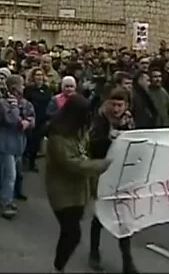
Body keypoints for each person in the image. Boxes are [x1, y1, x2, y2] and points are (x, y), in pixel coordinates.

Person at [45, 95, 111, 274]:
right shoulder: (58, 137)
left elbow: (87, 150)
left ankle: (59, 266)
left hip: (79, 189)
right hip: (62, 191)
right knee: (72, 234)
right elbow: (73, 163)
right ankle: (57, 268)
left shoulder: (78, 130)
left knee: (71, 230)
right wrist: (102, 165)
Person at [87, 87, 138, 273]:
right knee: (100, 213)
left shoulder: (129, 120)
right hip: (103, 170)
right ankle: (94, 252)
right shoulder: (101, 119)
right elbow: (92, 144)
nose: (116, 109)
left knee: (124, 215)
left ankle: (127, 260)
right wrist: (109, 139)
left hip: (123, 171)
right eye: (113, 104)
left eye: (120, 105)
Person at [0, 74, 35, 219]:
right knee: (10, 175)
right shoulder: (2, 103)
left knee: (12, 173)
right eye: (21, 84)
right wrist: (14, 108)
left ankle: (3, 194)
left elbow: (32, 116)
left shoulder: (26, 102)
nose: (23, 87)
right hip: (6, 143)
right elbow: (10, 120)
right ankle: (6, 202)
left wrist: (28, 122)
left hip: (19, 144)